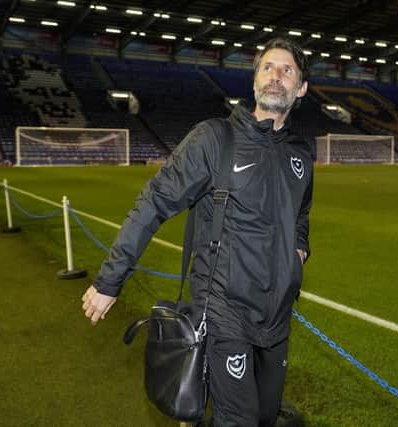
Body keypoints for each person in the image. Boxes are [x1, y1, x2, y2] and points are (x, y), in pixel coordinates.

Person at [81, 37, 313, 426]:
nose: (276, 77)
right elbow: (152, 204)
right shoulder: (214, 139)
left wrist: (300, 248)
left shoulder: (300, 154)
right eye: (268, 67)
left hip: (277, 316)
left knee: (266, 415)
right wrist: (110, 281)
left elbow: (302, 211)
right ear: (254, 79)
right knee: (236, 419)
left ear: (301, 87)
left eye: (287, 70)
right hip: (224, 309)